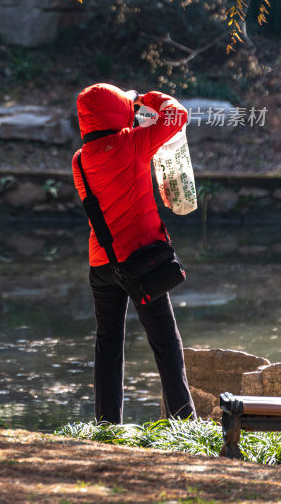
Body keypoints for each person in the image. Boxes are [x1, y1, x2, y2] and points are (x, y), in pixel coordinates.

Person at [72, 82, 196, 424]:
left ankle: (107, 426)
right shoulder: (132, 144)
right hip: (141, 264)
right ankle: (184, 425)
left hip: (102, 264)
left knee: (108, 345)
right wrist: (144, 99)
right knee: (166, 345)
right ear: (117, 111)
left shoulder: (80, 160)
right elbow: (177, 114)